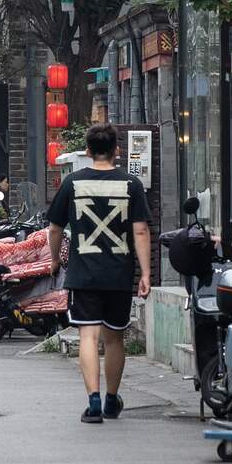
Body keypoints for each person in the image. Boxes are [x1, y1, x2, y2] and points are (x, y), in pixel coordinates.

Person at [47, 123, 151, 424]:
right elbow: (141, 230)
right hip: (119, 273)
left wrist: (55, 260)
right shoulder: (131, 185)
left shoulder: (73, 183)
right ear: (117, 151)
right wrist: (145, 273)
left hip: (84, 273)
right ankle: (110, 399)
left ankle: (92, 400)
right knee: (115, 339)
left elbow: (55, 228)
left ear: (89, 151)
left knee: (88, 336)